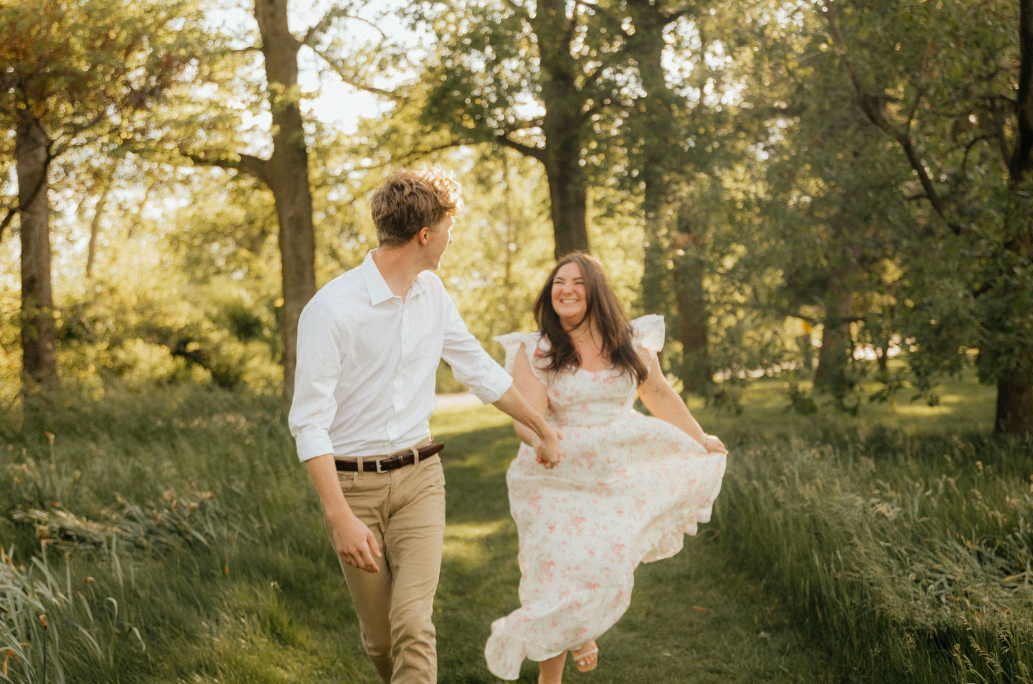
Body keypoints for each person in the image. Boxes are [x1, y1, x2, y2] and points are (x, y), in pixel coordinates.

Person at [288, 168, 561, 684]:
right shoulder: (331, 310)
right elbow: (309, 422)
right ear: (425, 234)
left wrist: (541, 429)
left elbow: (477, 367)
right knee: (383, 639)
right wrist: (339, 516)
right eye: (449, 227)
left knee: (413, 624)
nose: (452, 238)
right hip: (353, 490)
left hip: (420, 481)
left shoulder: (432, 293)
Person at [484, 252, 729, 683]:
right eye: (559, 282)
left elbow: (659, 397)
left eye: (577, 283)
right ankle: (550, 678)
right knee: (553, 572)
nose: (566, 290)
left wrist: (700, 438)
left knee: (605, 566)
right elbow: (528, 418)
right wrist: (543, 439)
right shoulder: (536, 349)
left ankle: (582, 631)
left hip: (617, 470)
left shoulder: (631, 343)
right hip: (554, 473)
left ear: (596, 291)